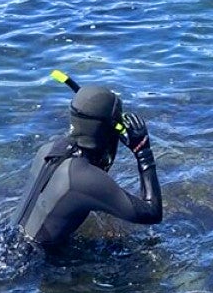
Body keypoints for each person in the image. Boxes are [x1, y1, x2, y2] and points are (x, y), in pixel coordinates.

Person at [13, 84, 162, 246]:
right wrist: (143, 152)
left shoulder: (48, 149)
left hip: (13, 240)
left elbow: (96, 177)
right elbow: (152, 213)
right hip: (38, 263)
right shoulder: (84, 179)